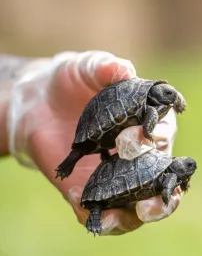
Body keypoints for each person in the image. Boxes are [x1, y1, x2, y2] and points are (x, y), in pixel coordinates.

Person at [0, 50, 183, 235]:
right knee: (81, 149)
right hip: (101, 120)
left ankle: (96, 201)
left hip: (114, 141)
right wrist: (28, 100)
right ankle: (67, 166)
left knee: (97, 153)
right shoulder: (149, 107)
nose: (172, 96)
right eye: (167, 93)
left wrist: (28, 96)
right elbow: (150, 117)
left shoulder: (156, 105)